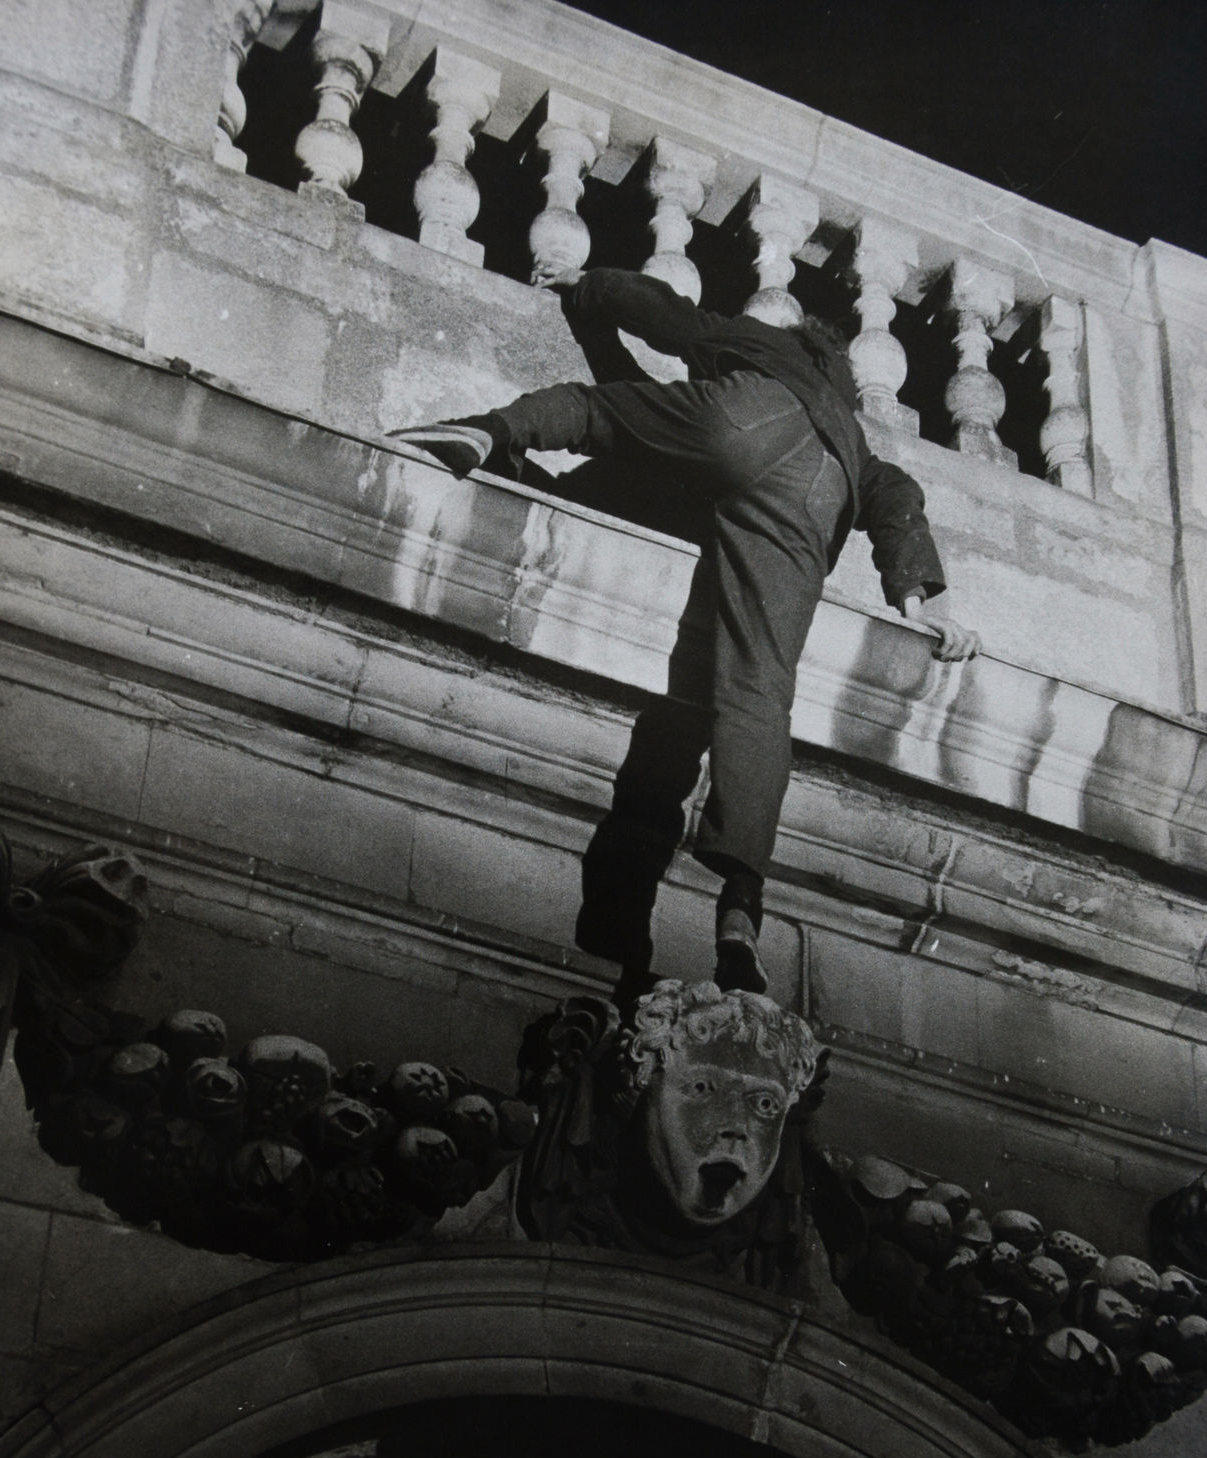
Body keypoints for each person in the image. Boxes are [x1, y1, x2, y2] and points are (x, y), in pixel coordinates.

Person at [391, 265, 980, 993]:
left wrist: (589, 288)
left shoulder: (767, 347)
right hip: (814, 501)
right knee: (761, 695)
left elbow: (672, 321)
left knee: (593, 411)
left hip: (747, 424)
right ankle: (740, 902)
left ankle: (486, 434)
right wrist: (918, 598)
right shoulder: (853, 434)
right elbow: (898, 496)